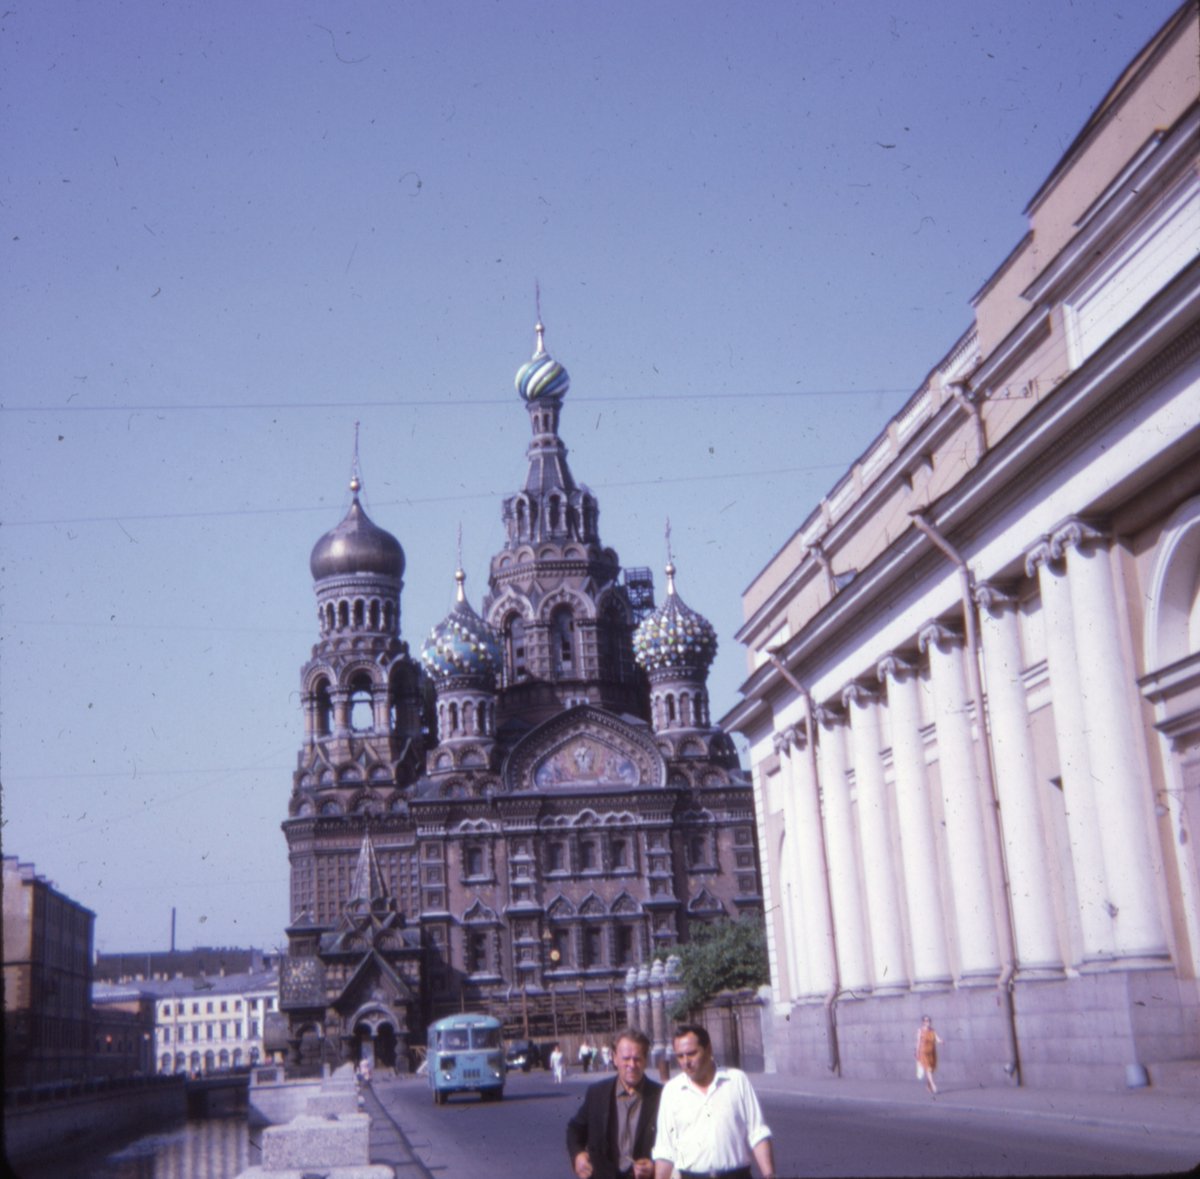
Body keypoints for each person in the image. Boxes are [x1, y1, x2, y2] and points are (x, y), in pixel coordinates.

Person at [653, 1023, 775, 1179]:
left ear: (708, 1049)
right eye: (680, 1056)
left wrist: (769, 1174)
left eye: (691, 1053)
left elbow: (757, 1133)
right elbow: (665, 1149)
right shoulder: (672, 1091)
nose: (685, 1062)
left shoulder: (736, 1080)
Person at [566, 1028, 661, 1179]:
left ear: (645, 1060)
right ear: (615, 1058)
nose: (631, 1064)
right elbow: (575, 1129)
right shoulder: (597, 1093)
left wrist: (656, 1166)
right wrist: (578, 1155)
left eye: (637, 1058)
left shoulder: (661, 1096)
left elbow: (678, 1145)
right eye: (626, 1058)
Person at [915, 1014, 944, 1096]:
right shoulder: (920, 1030)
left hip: (932, 1052)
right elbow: (918, 1042)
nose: (928, 1022)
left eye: (929, 1020)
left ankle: (929, 1086)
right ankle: (933, 1086)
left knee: (931, 1069)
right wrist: (917, 1052)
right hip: (923, 1052)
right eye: (926, 1021)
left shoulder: (932, 1030)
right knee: (928, 1069)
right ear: (923, 1022)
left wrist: (941, 1041)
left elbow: (936, 1038)